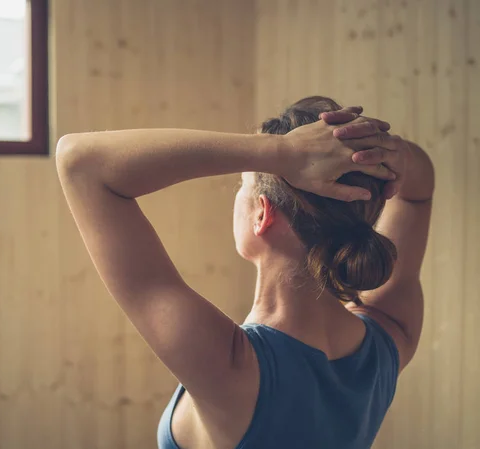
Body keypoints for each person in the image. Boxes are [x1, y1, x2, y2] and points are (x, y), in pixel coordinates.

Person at [55, 96, 434, 449]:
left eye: (244, 184)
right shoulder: (389, 340)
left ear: (262, 213)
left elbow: (80, 161)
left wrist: (281, 153)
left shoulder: (229, 368)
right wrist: (391, 153)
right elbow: (420, 188)